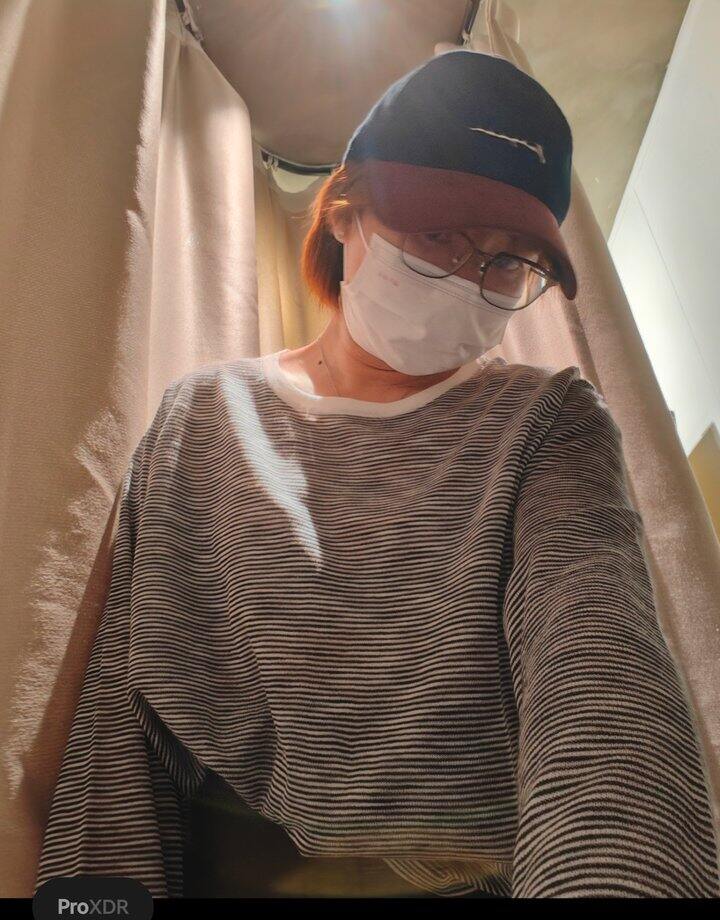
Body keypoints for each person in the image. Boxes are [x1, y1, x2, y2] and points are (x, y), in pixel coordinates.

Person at [36, 50, 719, 900]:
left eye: (508, 261)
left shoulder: (547, 422)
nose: (470, 282)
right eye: (439, 236)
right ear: (344, 212)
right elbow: (121, 728)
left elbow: (603, 685)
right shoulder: (204, 418)